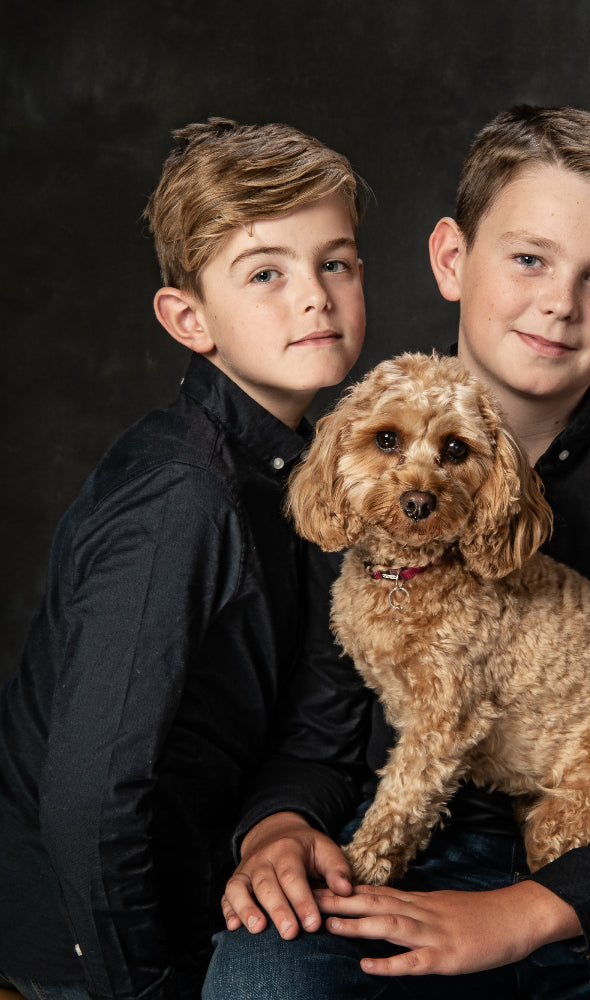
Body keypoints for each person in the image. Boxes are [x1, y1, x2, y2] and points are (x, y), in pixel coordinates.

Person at [203, 105, 590, 999]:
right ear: (452, 259)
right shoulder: (358, 448)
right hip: (417, 832)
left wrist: (533, 907)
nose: (560, 303)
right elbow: (318, 732)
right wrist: (277, 829)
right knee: (260, 982)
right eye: (528, 258)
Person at [0, 118, 367, 1000]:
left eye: (337, 262)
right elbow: (93, 801)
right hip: (83, 950)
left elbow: (313, 710)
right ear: (189, 319)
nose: (315, 296)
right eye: (267, 274)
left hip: (208, 881)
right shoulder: (182, 498)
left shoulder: (306, 469)